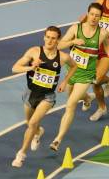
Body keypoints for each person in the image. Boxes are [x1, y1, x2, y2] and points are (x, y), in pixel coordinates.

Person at [49, 3, 109, 151]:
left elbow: (107, 46)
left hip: (86, 74)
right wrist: (73, 42)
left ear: (100, 17)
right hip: (72, 71)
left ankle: (57, 139)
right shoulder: (75, 28)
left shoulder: (103, 33)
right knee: (74, 96)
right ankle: (87, 98)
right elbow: (59, 46)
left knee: (70, 104)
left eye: (97, 16)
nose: (93, 18)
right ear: (87, 14)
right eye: (91, 14)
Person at [10, 26, 77, 167]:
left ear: (58, 40)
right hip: (30, 93)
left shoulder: (63, 57)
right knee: (30, 124)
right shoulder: (34, 52)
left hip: (47, 96)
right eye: (47, 37)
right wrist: (30, 68)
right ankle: (38, 132)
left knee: (33, 123)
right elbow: (14, 68)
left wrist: (65, 81)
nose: (50, 40)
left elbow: (74, 66)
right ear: (44, 37)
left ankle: (21, 154)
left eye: (53, 38)